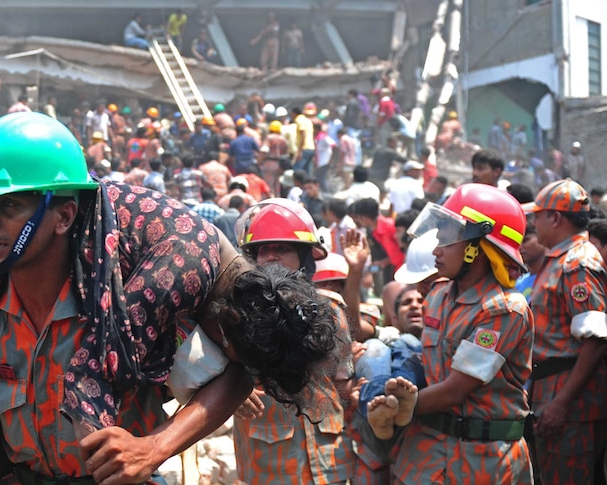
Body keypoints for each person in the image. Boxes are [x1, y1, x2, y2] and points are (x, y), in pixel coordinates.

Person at [0, 112, 343, 483]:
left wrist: (154, 447)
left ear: (64, 215)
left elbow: (235, 376)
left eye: (10, 206)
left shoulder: (129, 301)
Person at [388, 183, 533, 483]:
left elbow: (456, 388)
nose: (436, 250)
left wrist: (396, 408)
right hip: (426, 455)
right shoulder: (439, 294)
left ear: (476, 248)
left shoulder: (504, 309)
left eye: (447, 239)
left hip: (483, 461)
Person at [234, 200, 356, 485]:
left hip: (329, 458)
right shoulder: (232, 314)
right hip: (267, 460)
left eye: (283, 248)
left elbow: (342, 379)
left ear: (304, 256)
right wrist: (235, 392)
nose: (273, 257)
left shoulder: (332, 309)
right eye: (265, 249)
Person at [522, 179, 607, 484]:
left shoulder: (577, 263)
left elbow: (596, 339)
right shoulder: (557, 259)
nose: (532, 223)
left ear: (555, 218)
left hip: (570, 399)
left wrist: (562, 403)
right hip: (550, 389)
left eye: (538, 216)